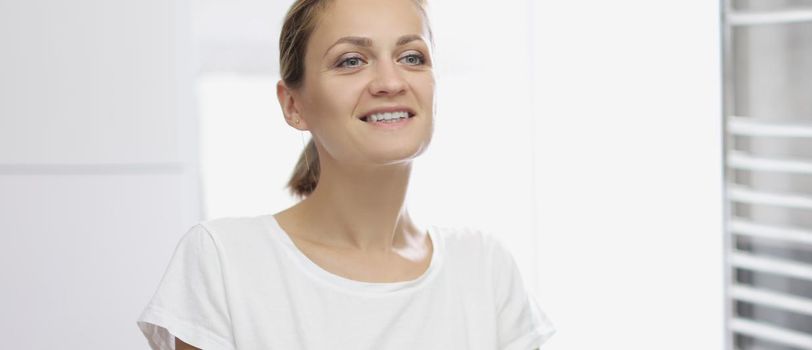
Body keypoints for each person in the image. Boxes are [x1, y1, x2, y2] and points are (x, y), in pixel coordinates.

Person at [136, 0, 555, 348]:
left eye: (412, 57)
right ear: (293, 105)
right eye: (351, 60)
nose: (391, 81)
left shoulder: (484, 268)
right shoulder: (224, 262)